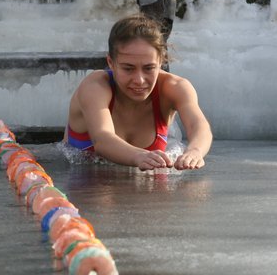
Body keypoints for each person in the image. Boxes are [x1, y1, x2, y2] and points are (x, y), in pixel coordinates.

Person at [64, 13, 212, 171]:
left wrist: (195, 151)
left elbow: (199, 125)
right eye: (128, 68)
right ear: (111, 63)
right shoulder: (95, 87)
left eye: (149, 68)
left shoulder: (176, 87)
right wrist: (138, 156)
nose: (139, 80)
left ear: (161, 62)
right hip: (84, 180)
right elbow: (103, 140)